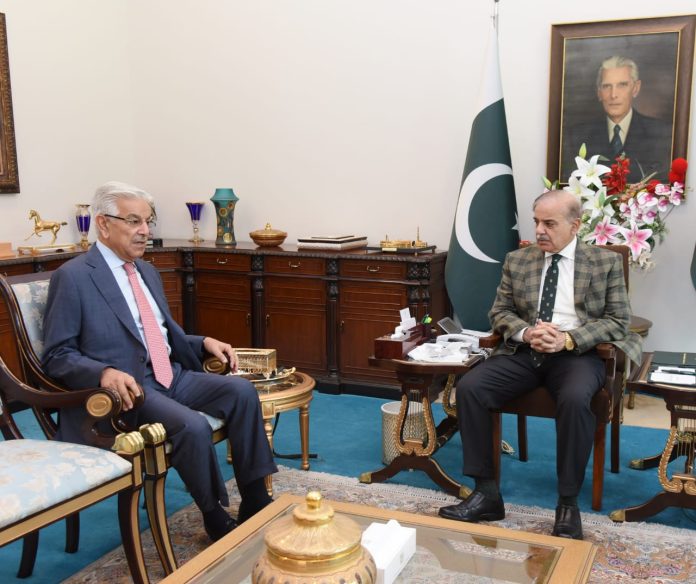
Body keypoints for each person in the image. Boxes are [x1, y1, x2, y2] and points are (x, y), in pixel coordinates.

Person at [41, 181, 278, 542]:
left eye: (148, 222)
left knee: (241, 392)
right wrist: (103, 372)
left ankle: (256, 499)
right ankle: (214, 515)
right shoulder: (73, 278)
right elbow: (57, 356)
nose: (145, 231)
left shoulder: (146, 271)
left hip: (171, 375)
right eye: (134, 221)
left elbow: (162, 335)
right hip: (127, 393)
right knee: (191, 426)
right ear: (103, 224)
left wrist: (203, 343)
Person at [438, 189, 641, 540]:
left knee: (576, 399)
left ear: (575, 225)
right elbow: (499, 313)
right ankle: (486, 493)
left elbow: (618, 320)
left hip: (577, 356)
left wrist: (568, 339)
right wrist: (527, 332)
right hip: (524, 352)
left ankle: (567, 504)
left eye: (549, 223)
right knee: (470, 387)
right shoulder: (519, 260)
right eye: (536, 222)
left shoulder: (603, 262)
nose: (540, 230)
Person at [562, 55, 672, 182]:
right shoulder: (575, 136)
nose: (613, 95)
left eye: (622, 85)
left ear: (635, 89)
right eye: (606, 86)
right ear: (599, 92)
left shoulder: (662, 134)